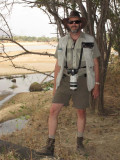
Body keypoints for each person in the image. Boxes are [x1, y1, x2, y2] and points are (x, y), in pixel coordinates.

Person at [40, 10, 100, 156]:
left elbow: (96, 63)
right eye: (71, 22)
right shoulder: (62, 41)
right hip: (65, 79)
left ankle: (79, 144)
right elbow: (58, 65)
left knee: (81, 111)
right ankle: (50, 146)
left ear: (81, 23)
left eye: (77, 21)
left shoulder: (90, 40)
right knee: (53, 110)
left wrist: (97, 84)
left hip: (83, 79)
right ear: (67, 24)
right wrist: (55, 86)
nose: (74, 24)